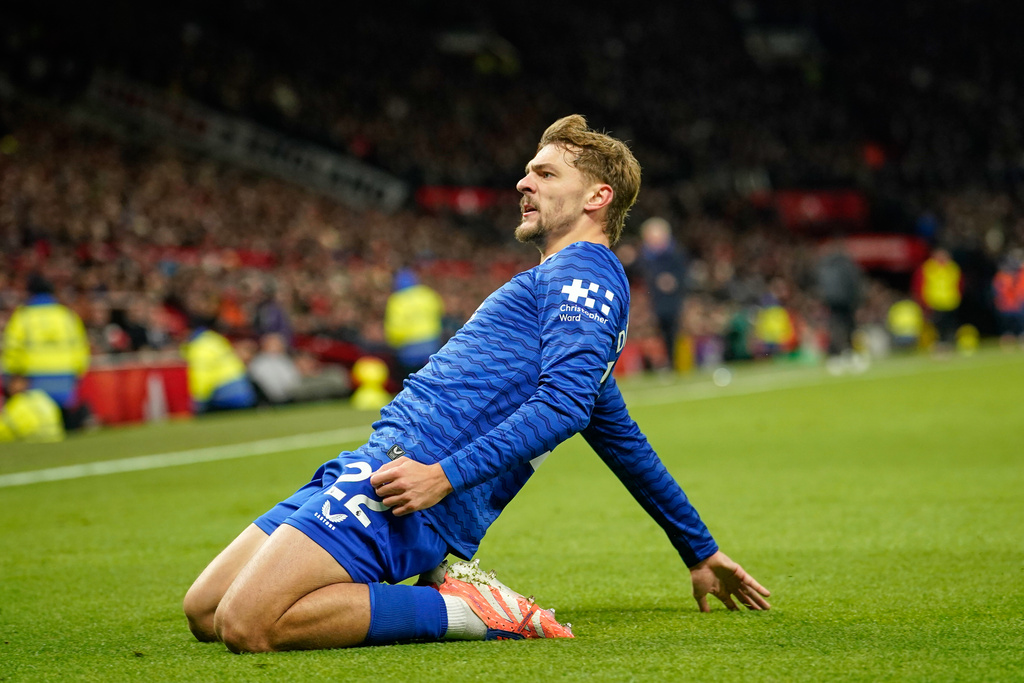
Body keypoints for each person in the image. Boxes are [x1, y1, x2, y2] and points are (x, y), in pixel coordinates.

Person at [183, 115, 771, 654]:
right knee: (205, 609)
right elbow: (619, 437)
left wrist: (442, 477)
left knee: (247, 624)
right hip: (377, 464)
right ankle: (443, 594)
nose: (523, 183)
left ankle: (461, 610)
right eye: (526, 171)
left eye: (545, 172)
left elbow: (563, 406)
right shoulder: (561, 286)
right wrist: (699, 549)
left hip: (412, 485)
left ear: (598, 197)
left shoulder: (583, 274)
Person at [1, 273, 92, 431]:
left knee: (41, 426)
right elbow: (80, 348)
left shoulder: (22, 318)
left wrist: (11, 376)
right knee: (66, 427)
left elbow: (12, 350)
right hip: (64, 378)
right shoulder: (66, 316)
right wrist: (77, 373)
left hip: (33, 381)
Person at [637, 217, 688, 371]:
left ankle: (672, 363)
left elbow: (683, 275)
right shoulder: (644, 256)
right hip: (652, 300)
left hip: (670, 301)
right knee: (656, 333)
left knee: (671, 331)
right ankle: (656, 364)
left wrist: (673, 281)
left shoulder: (675, 253)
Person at [384, 268, 445, 382]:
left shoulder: (397, 300)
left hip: (408, 347)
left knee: (411, 379)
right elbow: (439, 314)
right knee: (430, 377)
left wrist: (393, 343)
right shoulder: (427, 294)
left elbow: (394, 327)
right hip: (431, 342)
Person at [815, 241, 865, 374]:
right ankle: (849, 354)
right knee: (849, 327)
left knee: (835, 327)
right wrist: (858, 300)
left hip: (831, 301)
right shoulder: (847, 264)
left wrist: (825, 300)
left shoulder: (825, 266)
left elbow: (820, 285)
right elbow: (854, 282)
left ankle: (835, 356)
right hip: (846, 301)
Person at [912, 247, 962, 354]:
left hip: (950, 301)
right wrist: (924, 302)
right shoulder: (928, 268)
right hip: (934, 302)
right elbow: (919, 285)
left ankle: (949, 345)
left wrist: (957, 296)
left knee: (949, 325)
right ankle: (939, 346)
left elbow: (959, 284)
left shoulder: (952, 267)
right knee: (937, 326)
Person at [0, 374, 65, 443]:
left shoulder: (15, 404)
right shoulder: (40, 396)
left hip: (32, 439)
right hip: (55, 436)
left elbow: (4, 430)